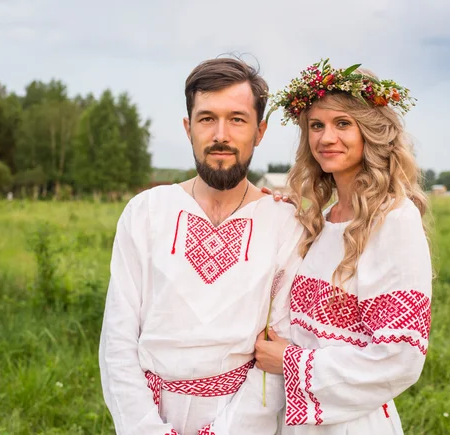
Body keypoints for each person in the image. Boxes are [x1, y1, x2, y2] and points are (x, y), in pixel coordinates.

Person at [99, 57, 304, 435]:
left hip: (241, 419)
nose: (221, 134)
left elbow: (280, 346)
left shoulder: (285, 223)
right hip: (148, 415)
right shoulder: (146, 211)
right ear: (188, 127)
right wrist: (146, 429)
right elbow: (118, 336)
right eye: (207, 118)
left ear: (260, 131)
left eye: (237, 119)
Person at [254, 59, 432, 434]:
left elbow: (401, 357)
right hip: (299, 420)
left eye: (342, 124)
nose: (325, 138)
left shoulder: (395, 220)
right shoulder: (328, 218)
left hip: (353, 423)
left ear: (372, 131)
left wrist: (291, 362)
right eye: (316, 125)